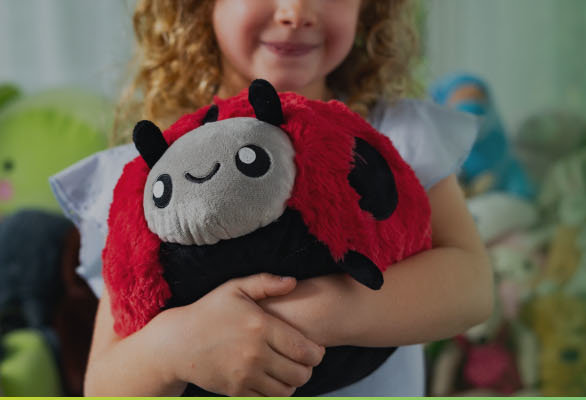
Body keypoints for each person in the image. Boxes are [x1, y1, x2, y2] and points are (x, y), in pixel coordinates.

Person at [50, 0, 493, 395]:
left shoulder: (396, 140)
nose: (296, 12)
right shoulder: (151, 176)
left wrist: (312, 314)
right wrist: (175, 346)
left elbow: (471, 285)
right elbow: (105, 385)